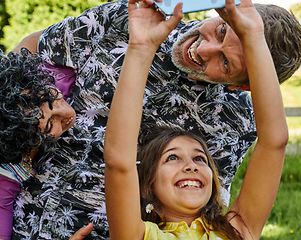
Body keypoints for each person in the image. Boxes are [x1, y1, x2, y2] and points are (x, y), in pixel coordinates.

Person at [10, 0, 301, 239]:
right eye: (222, 31)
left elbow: (195, 204)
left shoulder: (236, 121)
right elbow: (26, 56)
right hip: (17, 211)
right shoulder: (130, 20)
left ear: (242, 85)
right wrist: (26, 112)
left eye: (225, 63)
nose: (202, 50)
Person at [101, 0, 288, 239]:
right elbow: (119, 160)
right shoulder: (138, 235)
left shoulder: (236, 232)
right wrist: (141, 48)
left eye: (201, 159)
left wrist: (253, 34)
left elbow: (274, 142)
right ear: (148, 185)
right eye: (172, 158)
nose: (191, 166)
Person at [0, 49, 76, 239]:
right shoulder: (5, 180)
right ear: (25, 144)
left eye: (53, 99)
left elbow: (35, 41)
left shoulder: (55, 80)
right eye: (51, 124)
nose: (66, 114)